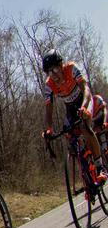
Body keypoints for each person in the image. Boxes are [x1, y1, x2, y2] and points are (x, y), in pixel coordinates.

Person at [41, 50, 107, 184]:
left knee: (84, 126)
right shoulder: (49, 85)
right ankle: (86, 173)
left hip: (85, 101)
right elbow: (49, 109)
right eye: (49, 72)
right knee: (70, 136)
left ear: (61, 65)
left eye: (54, 69)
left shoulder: (71, 68)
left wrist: (84, 107)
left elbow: (86, 89)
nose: (53, 75)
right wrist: (48, 129)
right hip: (70, 109)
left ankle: (100, 167)